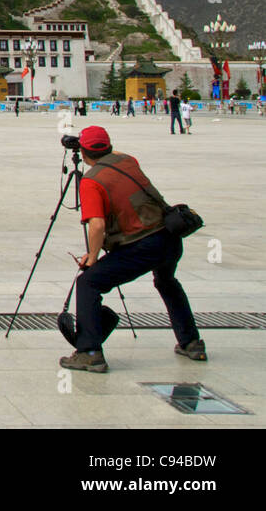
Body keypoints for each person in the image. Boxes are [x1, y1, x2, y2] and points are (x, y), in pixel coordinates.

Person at [60, 126, 204, 373]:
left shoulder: (91, 181)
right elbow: (115, 158)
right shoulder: (128, 161)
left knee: (88, 283)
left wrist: (92, 256)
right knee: (167, 281)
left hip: (142, 245)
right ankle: (191, 342)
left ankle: (89, 352)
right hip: (169, 237)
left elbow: (97, 225)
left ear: (82, 151)